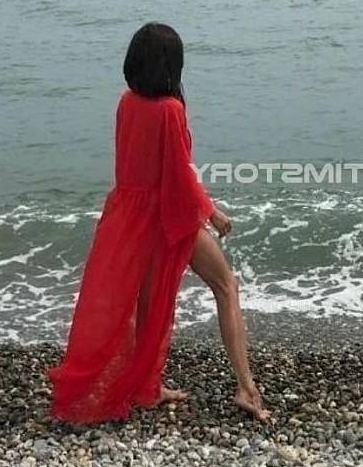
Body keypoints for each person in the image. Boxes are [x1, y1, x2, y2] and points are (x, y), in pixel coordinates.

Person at [47, 22, 269, 423]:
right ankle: (246, 388)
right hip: (165, 214)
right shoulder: (170, 109)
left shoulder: (126, 101)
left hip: (128, 213)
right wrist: (211, 211)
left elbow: (133, 164)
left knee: (148, 303)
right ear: (171, 66)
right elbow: (180, 174)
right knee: (226, 286)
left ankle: (148, 387)